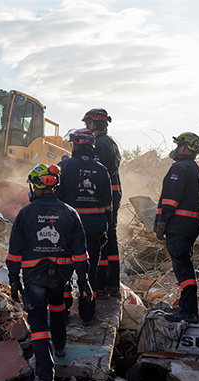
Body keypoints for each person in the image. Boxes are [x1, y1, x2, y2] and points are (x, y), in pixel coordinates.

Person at [6, 163, 88, 381]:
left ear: (37, 187)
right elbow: (80, 255)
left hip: (34, 279)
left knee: (39, 324)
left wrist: (14, 280)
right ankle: (60, 346)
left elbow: (14, 253)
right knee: (58, 306)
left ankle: (44, 377)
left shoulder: (25, 214)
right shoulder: (70, 213)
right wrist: (84, 282)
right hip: (60, 277)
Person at [56, 129, 112, 326]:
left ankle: (62, 310)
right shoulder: (102, 170)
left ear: (75, 145)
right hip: (94, 228)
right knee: (90, 271)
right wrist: (105, 230)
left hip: (68, 229)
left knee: (63, 268)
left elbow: (56, 201)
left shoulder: (63, 168)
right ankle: (88, 313)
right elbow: (107, 206)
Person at [154, 132, 199, 323]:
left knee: (183, 269)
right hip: (190, 226)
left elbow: (170, 199)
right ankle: (188, 308)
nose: (176, 148)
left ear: (184, 148)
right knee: (186, 267)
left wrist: (162, 222)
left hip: (178, 226)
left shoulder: (180, 168)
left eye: (178, 145)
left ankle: (188, 311)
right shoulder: (195, 169)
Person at [82, 108, 122, 298]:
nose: (86, 126)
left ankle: (102, 285)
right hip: (114, 193)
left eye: (87, 123)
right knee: (110, 239)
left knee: (102, 238)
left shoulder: (100, 143)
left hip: (106, 195)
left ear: (93, 124)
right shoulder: (111, 143)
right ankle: (113, 284)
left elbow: (97, 171)